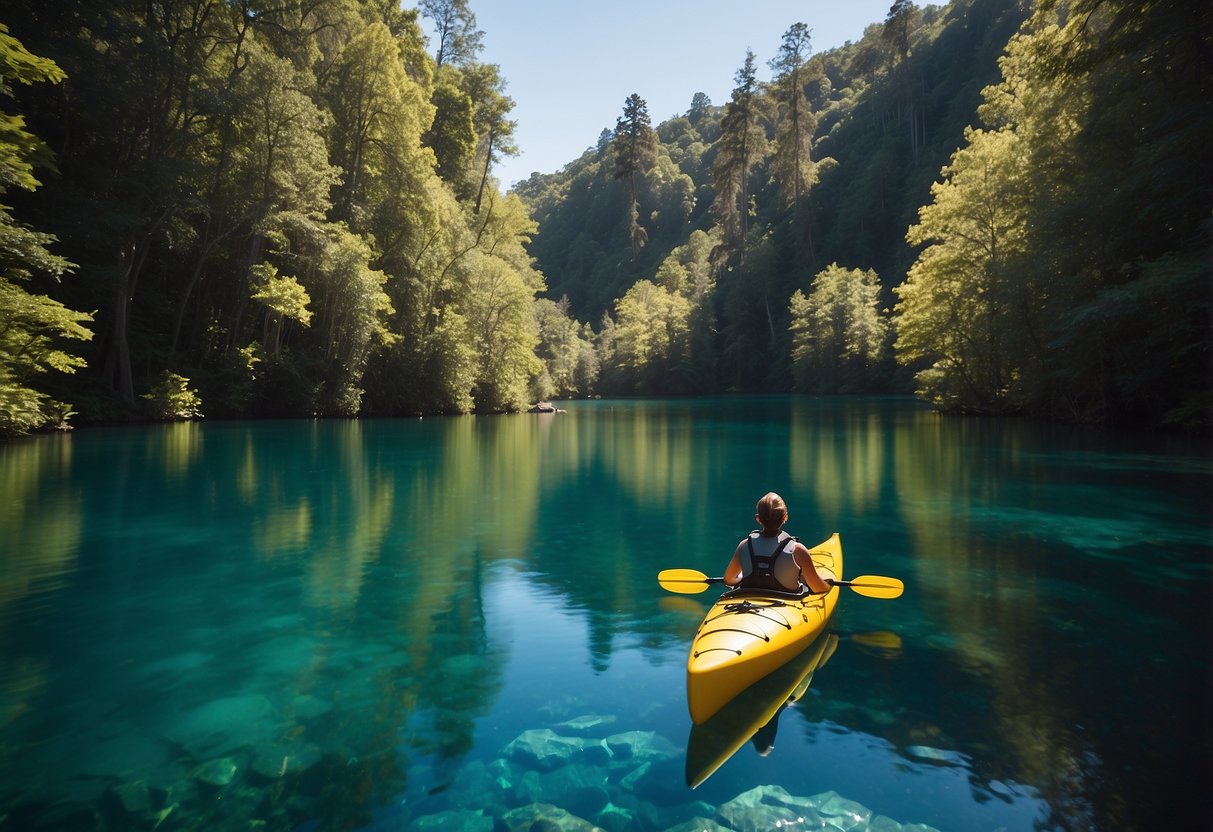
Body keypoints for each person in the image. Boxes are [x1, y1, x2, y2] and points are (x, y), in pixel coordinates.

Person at [723, 492, 833, 594]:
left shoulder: (744, 545)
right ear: (785, 517)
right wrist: (828, 585)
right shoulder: (798, 551)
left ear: (758, 519)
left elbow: (729, 580)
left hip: (749, 599)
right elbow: (818, 589)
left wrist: (743, 577)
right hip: (787, 604)